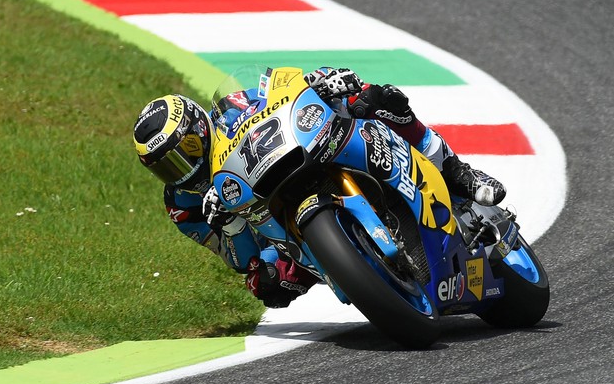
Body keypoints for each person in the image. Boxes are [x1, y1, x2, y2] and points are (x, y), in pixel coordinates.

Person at [132, 66, 506, 308]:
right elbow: (238, 260)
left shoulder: (232, 107)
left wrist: (324, 81)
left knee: (375, 98)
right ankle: (358, 271)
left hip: (302, 157)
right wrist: (227, 226)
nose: (181, 170)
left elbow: (281, 93)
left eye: (185, 153)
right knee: (267, 286)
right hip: (277, 235)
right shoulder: (183, 206)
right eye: (168, 167)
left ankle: (457, 171)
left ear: (199, 129)